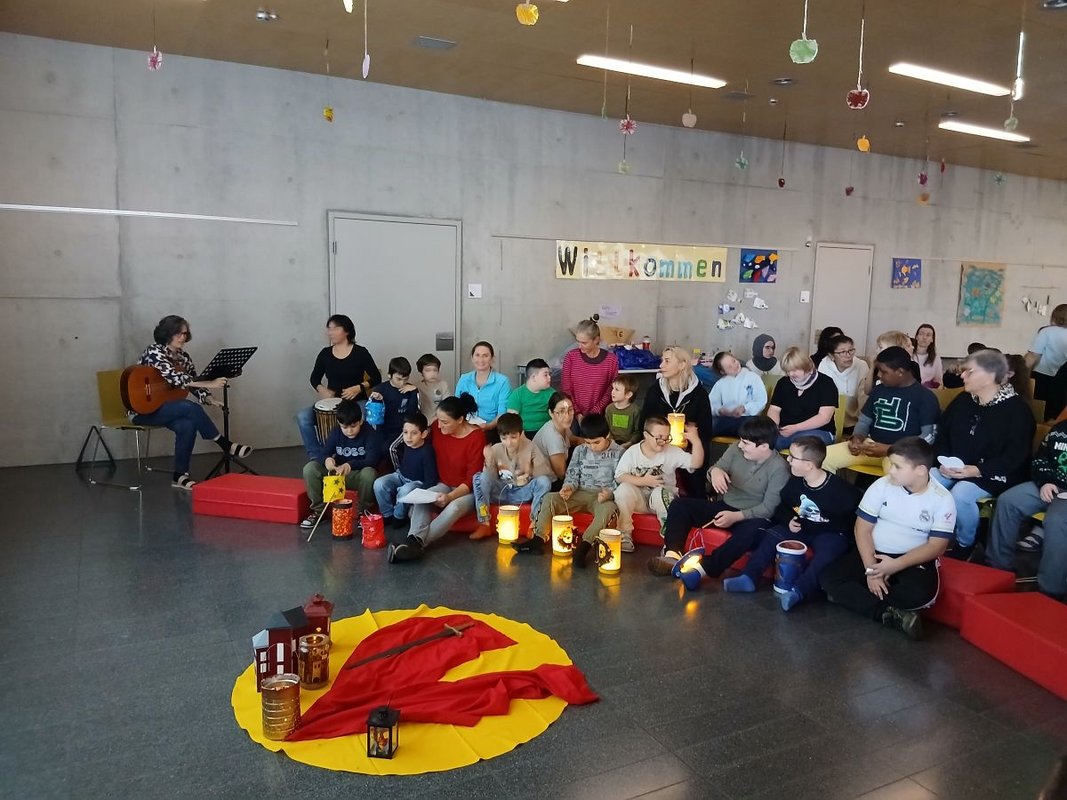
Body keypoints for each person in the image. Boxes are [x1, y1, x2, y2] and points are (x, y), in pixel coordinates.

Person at [819, 437, 956, 640]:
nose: (890, 470)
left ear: (920, 470)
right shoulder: (881, 485)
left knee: (920, 595)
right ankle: (887, 613)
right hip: (872, 553)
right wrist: (872, 570)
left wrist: (894, 566)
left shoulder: (942, 499)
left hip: (910, 559)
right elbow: (862, 529)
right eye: (891, 464)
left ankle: (853, 598)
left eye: (897, 466)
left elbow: (937, 546)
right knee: (828, 578)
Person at [722, 436, 860, 611]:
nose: (788, 460)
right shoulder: (794, 482)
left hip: (830, 533)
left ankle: (799, 591)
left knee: (826, 556)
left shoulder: (843, 492)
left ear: (809, 465)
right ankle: (749, 576)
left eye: (793, 457)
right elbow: (783, 507)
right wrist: (788, 520)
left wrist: (846, 538)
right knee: (772, 536)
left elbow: (857, 519)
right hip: (801, 527)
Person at [647, 417, 789, 585]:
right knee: (680, 505)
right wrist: (715, 472)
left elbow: (769, 508)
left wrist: (736, 517)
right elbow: (716, 468)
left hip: (753, 516)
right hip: (725, 506)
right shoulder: (736, 449)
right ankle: (672, 555)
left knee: (750, 533)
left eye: (746, 443)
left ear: (764, 446)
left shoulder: (779, 468)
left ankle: (703, 569)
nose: (740, 445)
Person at [932, 349, 1034, 558]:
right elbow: (942, 433)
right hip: (956, 467)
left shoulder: (1018, 411)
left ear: (990, 375)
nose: (962, 375)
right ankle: (929, 537)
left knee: (961, 494)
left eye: (969, 371)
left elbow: (1015, 456)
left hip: (995, 472)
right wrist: (942, 461)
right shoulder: (963, 400)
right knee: (927, 480)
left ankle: (966, 542)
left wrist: (977, 470)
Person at [134, 315, 252, 490]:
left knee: (187, 426)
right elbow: (175, 378)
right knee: (189, 407)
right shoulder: (154, 351)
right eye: (178, 334)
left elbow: (193, 381)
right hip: (141, 410)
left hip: (164, 407)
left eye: (185, 334)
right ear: (167, 333)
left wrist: (208, 397)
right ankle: (225, 444)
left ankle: (180, 476)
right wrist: (210, 383)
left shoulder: (184, 357)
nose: (183, 337)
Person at [388, 394, 487, 562]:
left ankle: (415, 545)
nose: (439, 425)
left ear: (460, 420)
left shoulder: (476, 437)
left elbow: (472, 479)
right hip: (443, 483)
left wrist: (450, 497)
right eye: (438, 420)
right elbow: (417, 439)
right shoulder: (437, 428)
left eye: (445, 422)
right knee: (422, 498)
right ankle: (414, 543)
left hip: (467, 491)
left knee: (454, 507)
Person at [520, 414, 623, 566]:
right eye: (588, 443)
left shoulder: (619, 452)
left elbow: (621, 479)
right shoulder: (580, 450)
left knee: (609, 510)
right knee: (549, 499)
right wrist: (568, 487)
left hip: (602, 497)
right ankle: (538, 539)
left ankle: (584, 547)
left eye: (596, 442)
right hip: (579, 493)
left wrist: (610, 493)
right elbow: (572, 474)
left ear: (606, 435)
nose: (592, 447)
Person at [823, 347, 939, 475]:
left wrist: (891, 449)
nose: (878, 375)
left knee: (899, 475)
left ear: (900, 372)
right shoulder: (879, 390)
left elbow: (928, 437)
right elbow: (864, 421)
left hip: (903, 454)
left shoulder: (925, 397)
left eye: (884, 372)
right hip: (870, 445)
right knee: (821, 458)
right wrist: (857, 438)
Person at [987, 419, 1067, 599]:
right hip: (1050, 486)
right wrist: (1046, 481)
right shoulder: (1060, 429)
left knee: (1057, 521)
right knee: (1008, 501)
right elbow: (1040, 459)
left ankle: (1051, 589)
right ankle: (998, 568)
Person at [296, 315, 381, 460]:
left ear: (347, 331)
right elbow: (314, 378)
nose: (330, 332)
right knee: (303, 416)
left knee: (366, 415)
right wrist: (321, 389)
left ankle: (364, 454)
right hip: (332, 402)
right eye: (329, 329)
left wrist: (359, 388)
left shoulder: (360, 352)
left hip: (357, 402)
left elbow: (376, 377)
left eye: (335, 328)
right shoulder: (325, 354)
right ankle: (317, 457)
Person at [614, 417, 704, 552]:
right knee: (623, 489)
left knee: (659, 493)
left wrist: (696, 441)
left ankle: (670, 540)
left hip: (663, 500)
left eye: (667, 438)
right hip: (640, 500)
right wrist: (644, 481)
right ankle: (624, 534)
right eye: (659, 438)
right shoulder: (633, 452)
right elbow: (620, 476)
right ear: (646, 435)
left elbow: (696, 463)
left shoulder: (672, 451)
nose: (663, 442)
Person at [640, 346, 713, 495]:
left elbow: (706, 430)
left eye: (667, 361)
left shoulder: (699, 394)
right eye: (662, 361)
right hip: (658, 445)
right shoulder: (655, 390)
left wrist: (690, 440)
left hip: (689, 447)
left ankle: (696, 500)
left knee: (695, 474)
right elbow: (644, 422)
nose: (661, 365)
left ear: (682, 364)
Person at [300, 400, 382, 529]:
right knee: (310, 468)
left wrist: (350, 465)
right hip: (338, 474)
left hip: (357, 475)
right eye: (345, 427)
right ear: (339, 424)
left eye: (353, 426)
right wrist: (327, 460)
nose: (349, 431)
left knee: (369, 474)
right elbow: (323, 453)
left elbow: (372, 460)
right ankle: (319, 512)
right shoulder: (336, 432)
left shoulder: (370, 433)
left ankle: (363, 512)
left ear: (361, 421)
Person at [470, 413, 553, 539]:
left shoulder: (530, 446)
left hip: (522, 491)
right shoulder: (495, 449)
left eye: (513, 437)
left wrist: (531, 469)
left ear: (521, 433)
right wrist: (489, 461)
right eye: (504, 438)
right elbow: (489, 478)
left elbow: (543, 475)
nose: (509, 442)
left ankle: (534, 525)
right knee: (478, 477)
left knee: (544, 482)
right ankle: (484, 523)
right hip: (501, 491)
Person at [373, 412, 438, 528]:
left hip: (417, 482)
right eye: (405, 432)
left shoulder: (427, 451)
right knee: (379, 483)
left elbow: (431, 479)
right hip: (401, 475)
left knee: (405, 490)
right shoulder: (407, 444)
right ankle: (387, 514)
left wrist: (420, 492)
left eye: (414, 433)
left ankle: (399, 517)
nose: (408, 437)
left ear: (424, 434)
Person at [766, 347, 839, 449]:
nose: (790, 374)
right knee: (766, 440)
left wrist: (795, 428)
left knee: (803, 443)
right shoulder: (783, 383)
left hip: (819, 431)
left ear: (806, 366)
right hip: (786, 431)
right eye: (788, 371)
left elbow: (824, 418)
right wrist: (774, 427)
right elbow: (774, 409)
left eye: (794, 370)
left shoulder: (826, 383)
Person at [561, 317, 619, 423]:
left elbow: (611, 389)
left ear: (596, 340)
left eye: (584, 343)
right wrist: (577, 413)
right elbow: (566, 389)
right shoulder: (571, 357)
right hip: (573, 414)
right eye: (578, 341)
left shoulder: (611, 360)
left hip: (599, 416)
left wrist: (594, 413)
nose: (579, 346)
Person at [454, 342, 512, 433]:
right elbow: (456, 405)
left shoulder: (502, 381)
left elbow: (503, 412)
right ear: (472, 358)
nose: (481, 360)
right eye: (477, 355)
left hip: (491, 428)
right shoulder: (464, 379)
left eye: (485, 356)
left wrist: (489, 426)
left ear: (492, 359)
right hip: (465, 427)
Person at [817, 334, 870, 434]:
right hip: (830, 419)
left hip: (854, 421)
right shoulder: (824, 365)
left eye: (851, 350)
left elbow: (864, 398)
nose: (848, 355)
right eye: (842, 352)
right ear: (831, 356)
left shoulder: (861, 366)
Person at [708, 352, 767, 437]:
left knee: (751, 427)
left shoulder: (753, 377)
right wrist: (719, 410)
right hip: (726, 419)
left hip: (749, 418)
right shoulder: (720, 383)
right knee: (708, 425)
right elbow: (710, 403)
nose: (734, 366)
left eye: (734, 361)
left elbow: (761, 400)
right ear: (723, 372)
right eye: (729, 367)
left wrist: (744, 408)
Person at [368, 357, 421, 447]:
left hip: (402, 430)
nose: (402, 383)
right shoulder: (380, 389)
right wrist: (379, 401)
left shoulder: (411, 389)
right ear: (389, 375)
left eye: (406, 379)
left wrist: (414, 392)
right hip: (384, 429)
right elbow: (374, 419)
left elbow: (412, 414)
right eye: (399, 379)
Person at [1026, 303, 1067, 403]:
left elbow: (1032, 356)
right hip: (1063, 381)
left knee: (1038, 406)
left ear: (1054, 318)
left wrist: (1022, 373)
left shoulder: (1046, 331)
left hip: (1041, 377)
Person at [533, 392, 576, 487]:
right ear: (551, 413)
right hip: (548, 483)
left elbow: (573, 440)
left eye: (570, 410)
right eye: (561, 411)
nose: (567, 416)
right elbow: (561, 474)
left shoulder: (561, 425)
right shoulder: (553, 437)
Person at [507, 358, 554, 436]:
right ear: (533, 377)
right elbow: (512, 422)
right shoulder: (517, 394)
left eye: (549, 374)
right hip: (523, 434)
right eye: (545, 375)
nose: (549, 377)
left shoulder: (552, 393)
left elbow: (559, 416)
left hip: (547, 433)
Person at [606, 375, 642, 446]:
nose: (612, 392)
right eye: (613, 388)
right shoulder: (609, 408)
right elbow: (607, 429)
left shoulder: (635, 411)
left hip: (630, 445)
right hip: (612, 443)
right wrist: (611, 441)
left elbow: (638, 432)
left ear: (628, 394)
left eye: (617, 389)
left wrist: (630, 443)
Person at [914, 324, 944, 388]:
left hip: (927, 390)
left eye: (928, 335)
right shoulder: (909, 354)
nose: (924, 337)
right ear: (916, 337)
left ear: (932, 339)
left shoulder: (936, 358)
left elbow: (939, 382)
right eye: (921, 334)